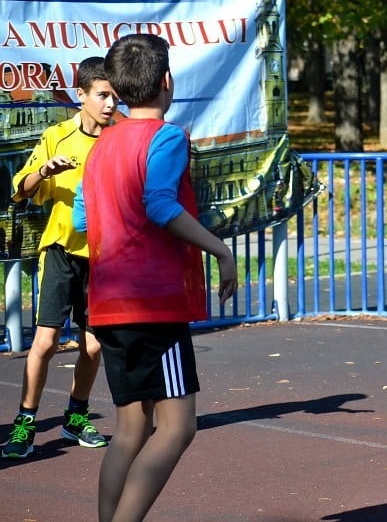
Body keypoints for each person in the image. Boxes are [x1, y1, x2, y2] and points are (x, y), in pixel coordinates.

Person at [73, 33, 238, 522]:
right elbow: (161, 204)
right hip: (153, 304)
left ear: (119, 89)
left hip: (107, 301)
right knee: (177, 427)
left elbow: (84, 220)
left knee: (130, 429)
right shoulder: (167, 136)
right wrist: (221, 249)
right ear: (168, 82)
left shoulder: (101, 145)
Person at [1, 56, 119, 460]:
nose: (109, 105)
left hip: (105, 258)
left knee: (93, 345)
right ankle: (25, 423)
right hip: (60, 251)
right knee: (47, 341)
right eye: (102, 95)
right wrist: (45, 171)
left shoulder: (119, 139)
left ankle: (75, 417)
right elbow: (21, 188)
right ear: (81, 95)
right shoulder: (57, 136)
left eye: (115, 97)